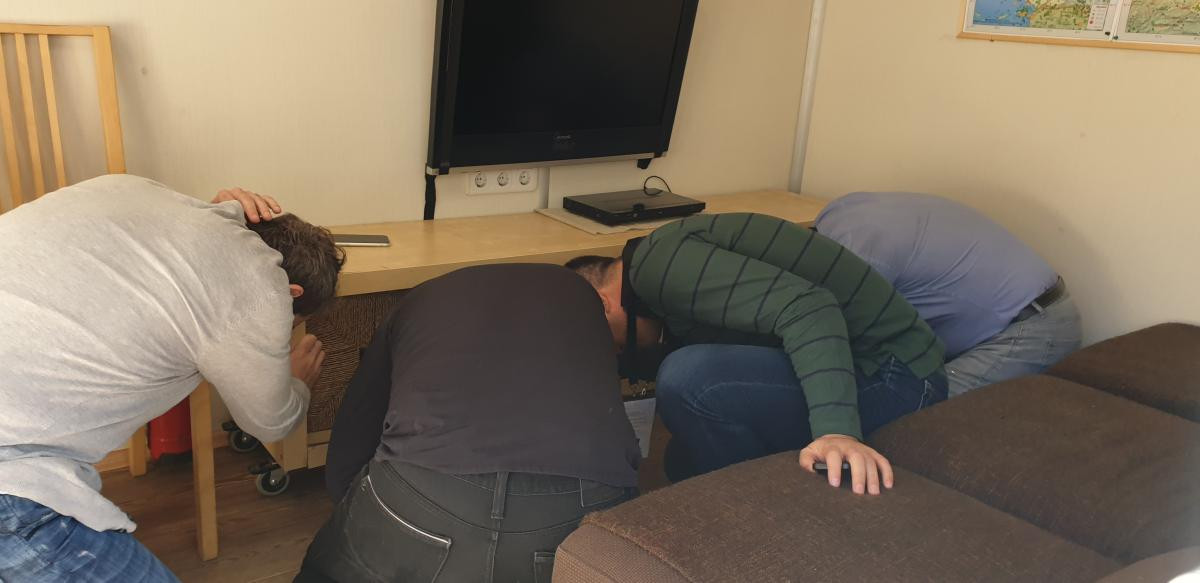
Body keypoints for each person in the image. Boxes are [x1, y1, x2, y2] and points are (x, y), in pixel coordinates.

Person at [0, 174, 343, 582]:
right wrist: (297, 382)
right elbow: (271, 422)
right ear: (293, 293)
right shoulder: (263, 284)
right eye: (291, 324)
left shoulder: (139, 192)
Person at [296, 264, 640, 583]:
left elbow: (357, 427)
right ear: (603, 301)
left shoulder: (421, 299)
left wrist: (358, 515)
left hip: (423, 488)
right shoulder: (586, 312)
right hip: (577, 506)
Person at [567, 212, 947, 496]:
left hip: (896, 374)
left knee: (687, 379)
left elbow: (810, 308)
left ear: (602, 303)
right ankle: (768, 485)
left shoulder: (659, 268)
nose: (626, 352)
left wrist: (837, 432)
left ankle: (762, 511)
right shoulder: (664, 268)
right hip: (863, 362)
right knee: (681, 460)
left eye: (617, 344)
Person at [813, 192, 1082, 396]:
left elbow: (833, 343)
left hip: (1034, 328)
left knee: (910, 405)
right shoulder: (835, 215)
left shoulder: (861, 259)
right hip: (1019, 306)